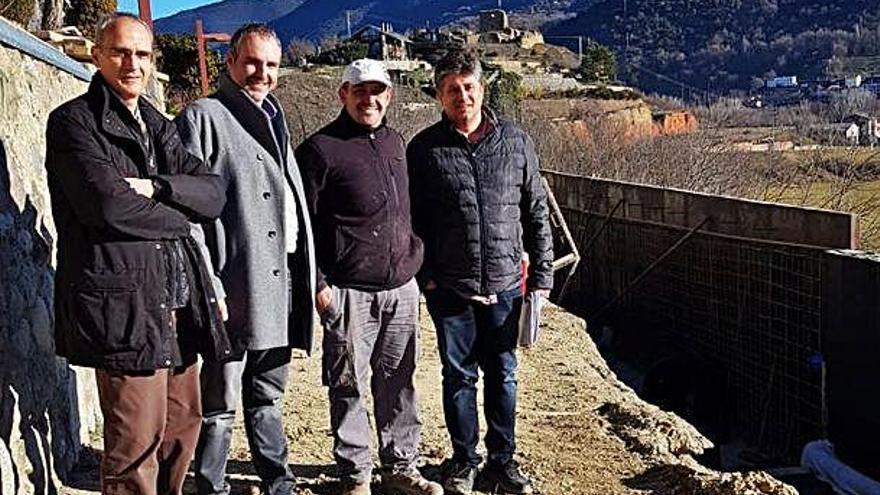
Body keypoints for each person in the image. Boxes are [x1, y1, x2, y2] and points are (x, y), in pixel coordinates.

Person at [45, 12, 229, 495]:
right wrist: (181, 216)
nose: (132, 63)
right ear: (98, 55)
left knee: (181, 431)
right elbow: (107, 206)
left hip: (178, 303)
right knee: (134, 449)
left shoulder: (155, 124)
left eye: (143, 54)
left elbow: (213, 193)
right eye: (121, 52)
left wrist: (157, 188)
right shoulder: (73, 124)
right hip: (124, 310)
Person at [175, 23, 316, 495]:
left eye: (272, 65)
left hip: (281, 280)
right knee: (221, 396)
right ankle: (210, 485)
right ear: (230, 62)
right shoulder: (203, 116)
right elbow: (188, 210)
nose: (262, 72)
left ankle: (279, 482)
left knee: (269, 393)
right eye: (252, 62)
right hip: (234, 283)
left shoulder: (275, 115)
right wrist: (208, 283)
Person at [407, 49, 554, 495]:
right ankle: (464, 460)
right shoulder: (424, 150)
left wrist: (542, 277)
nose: (462, 97)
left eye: (468, 87)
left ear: (481, 89)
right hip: (451, 286)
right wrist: (426, 275)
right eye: (452, 90)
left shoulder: (516, 142)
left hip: (508, 282)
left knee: (504, 373)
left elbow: (536, 211)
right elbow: (411, 220)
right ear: (439, 96)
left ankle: (502, 462)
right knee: (459, 377)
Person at [294, 59, 442, 495]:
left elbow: (412, 211)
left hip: (401, 289)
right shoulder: (320, 150)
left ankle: (401, 466)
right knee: (349, 384)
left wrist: (420, 267)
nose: (369, 99)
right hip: (349, 291)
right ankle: (355, 474)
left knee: (400, 381)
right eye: (359, 91)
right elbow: (299, 226)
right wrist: (319, 284)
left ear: (389, 96)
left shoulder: (396, 143)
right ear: (343, 94)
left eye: (377, 91)